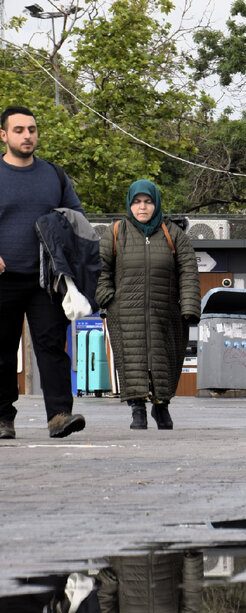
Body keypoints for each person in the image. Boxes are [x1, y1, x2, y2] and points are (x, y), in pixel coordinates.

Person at [0, 105, 86, 439]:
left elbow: (76, 217)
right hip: (3, 279)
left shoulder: (54, 175)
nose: (27, 135)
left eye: (32, 129)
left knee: (52, 346)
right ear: (4, 135)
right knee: (2, 350)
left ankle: (59, 415)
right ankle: (3, 419)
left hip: (46, 280)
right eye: (19, 130)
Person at [97, 180, 200, 430]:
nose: (142, 207)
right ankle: (137, 410)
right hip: (124, 311)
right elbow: (99, 271)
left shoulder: (173, 234)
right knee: (131, 361)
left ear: (156, 203)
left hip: (165, 311)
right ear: (129, 204)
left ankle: (161, 406)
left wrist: (189, 306)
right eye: (137, 202)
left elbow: (188, 272)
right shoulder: (114, 232)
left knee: (165, 360)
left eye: (148, 202)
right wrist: (108, 298)